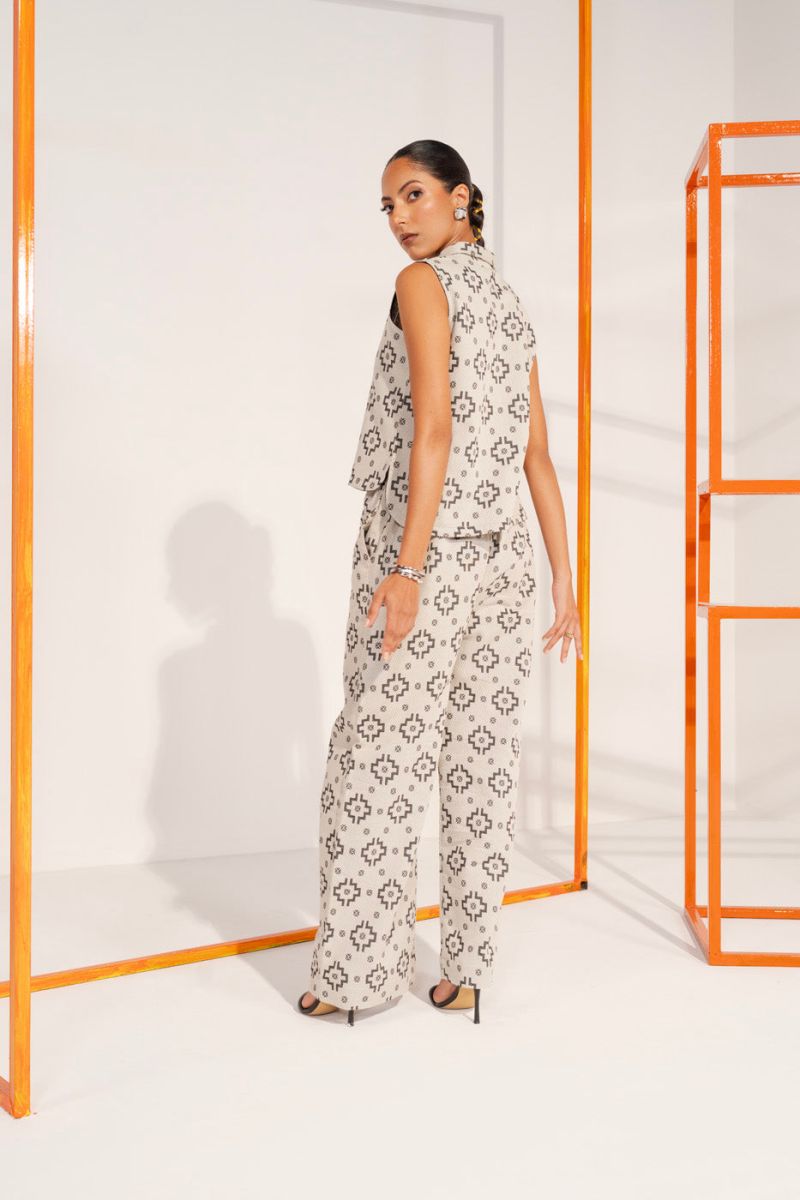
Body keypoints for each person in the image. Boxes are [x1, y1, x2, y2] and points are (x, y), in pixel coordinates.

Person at [298, 139, 582, 1026]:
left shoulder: (423, 284)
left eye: (413, 194)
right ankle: (467, 970)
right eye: (388, 205)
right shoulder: (509, 301)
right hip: (507, 561)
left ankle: (355, 980)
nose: (399, 217)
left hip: (426, 549)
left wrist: (409, 567)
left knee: (377, 760)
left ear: (461, 197)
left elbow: (433, 429)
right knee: (480, 761)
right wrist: (564, 576)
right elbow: (537, 455)